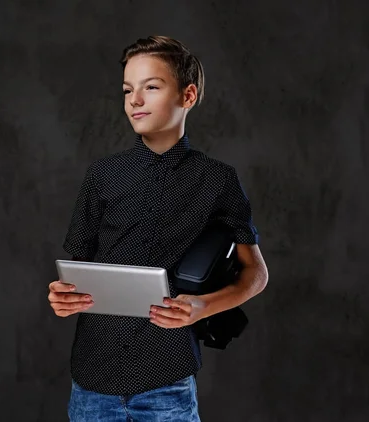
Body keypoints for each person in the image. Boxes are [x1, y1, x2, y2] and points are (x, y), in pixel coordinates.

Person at [48, 35, 269, 421]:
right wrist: (63, 295)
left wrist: (204, 306)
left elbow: (256, 273)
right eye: (127, 90)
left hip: (167, 380)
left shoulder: (218, 180)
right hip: (92, 378)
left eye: (151, 87)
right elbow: (79, 269)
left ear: (188, 95)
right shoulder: (102, 175)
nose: (135, 100)